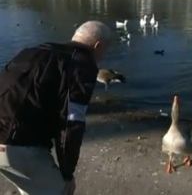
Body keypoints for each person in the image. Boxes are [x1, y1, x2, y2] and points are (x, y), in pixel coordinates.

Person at [0, 20, 112, 195]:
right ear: (98, 45)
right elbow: (71, 123)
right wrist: (67, 173)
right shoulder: (82, 65)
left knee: (32, 187)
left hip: (7, 134)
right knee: (61, 189)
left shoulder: (33, 51)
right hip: (15, 143)